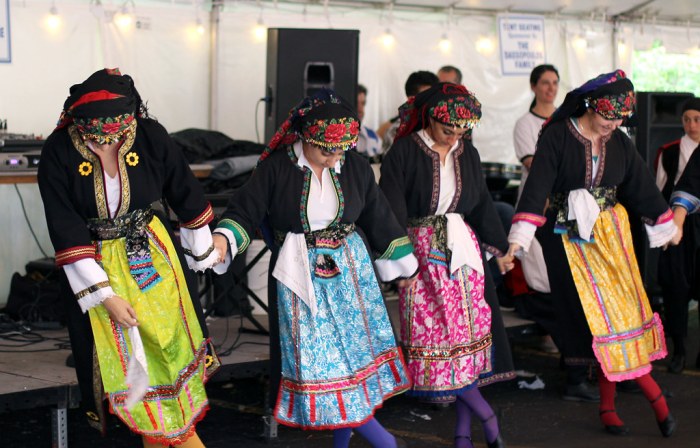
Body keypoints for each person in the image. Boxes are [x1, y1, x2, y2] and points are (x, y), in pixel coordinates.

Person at [211, 90, 418, 448]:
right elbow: (245, 209)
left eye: (340, 150)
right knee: (325, 365)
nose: (334, 158)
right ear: (306, 138)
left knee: (352, 361)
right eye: (326, 150)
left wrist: (402, 265)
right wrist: (223, 240)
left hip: (350, 277)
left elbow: (376, 213)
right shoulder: (277, 168)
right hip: (300, 277)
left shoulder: (352, 165)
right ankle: (387, 443)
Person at [37, 68, 220, 447]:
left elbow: (185, 191)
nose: (107, 141)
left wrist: (205, 249)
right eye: (95, 134)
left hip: (153, 259)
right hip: (97, 266)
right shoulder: (57, 151)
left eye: (116, 132)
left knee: (168, 353)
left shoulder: (151, 136)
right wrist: (106, 296)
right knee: (131, 372)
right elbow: (65, 226)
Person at [508, 70, 679, 437]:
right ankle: (626, 399)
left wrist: (665, 225)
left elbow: (642, 187)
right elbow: (537, 186)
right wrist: (519, 239)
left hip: (612, 240)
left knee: (622, 316)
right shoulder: (557, 136)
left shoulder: (619, 141)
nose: (613, 125)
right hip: (569, 240)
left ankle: (617, 403)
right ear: (590, 106)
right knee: (592, 321)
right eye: (608, 117)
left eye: (619, 119)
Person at [379, 82, 515, 448]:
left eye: (460, 131)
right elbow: (389, 208)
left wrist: (500, 248)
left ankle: (461, 434)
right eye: (446, 130)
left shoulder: (465, 152)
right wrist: (400, 266)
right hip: (420, 259)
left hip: (462, 256)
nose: (453, 137)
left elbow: (483, 203)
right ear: (430, 120)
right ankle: (487, 417)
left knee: (466, 345)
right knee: (437, 343)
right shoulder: (405, 152)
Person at [511, 65, 564, 357]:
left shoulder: (564, 120)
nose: (550, 89)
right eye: (545, 83)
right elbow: (533, 163)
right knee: (539, 265)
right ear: (534, 87)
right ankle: (547, 328)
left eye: (555, 83)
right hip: (536, 201)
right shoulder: (525, 124)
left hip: (561, 202)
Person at [655, 97, 700, 373]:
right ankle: (679, 350)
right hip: (678, 227)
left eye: (697, 119)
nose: (692, 125)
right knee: (676, 287)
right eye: (687, 119)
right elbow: (661, 190)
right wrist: (668, 224)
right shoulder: (670, 151)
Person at [377, 70, 439, 151]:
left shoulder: (442, 127)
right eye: (426, 97)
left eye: (436, 96)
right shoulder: (396, 131)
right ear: (411, 100)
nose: (433, 102)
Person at [355, 84, 383, 160]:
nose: (360, 110)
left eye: (363, 104)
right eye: (356, 103)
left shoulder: (375, 137)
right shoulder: (334, 137)